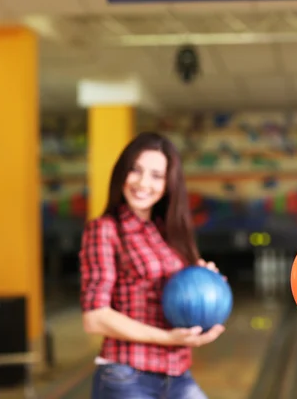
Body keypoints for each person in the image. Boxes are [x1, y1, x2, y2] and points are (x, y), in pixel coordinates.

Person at [79, 131, 225, 399]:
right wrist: (168, 339)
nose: (144, 182)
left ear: (169, 183)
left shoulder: (168, 233)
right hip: (126, 375)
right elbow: (95, 318)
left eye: (156, 175)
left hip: (178, 374)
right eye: (135, 170)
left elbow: (182, 298)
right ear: (121, 173)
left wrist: (205, 284)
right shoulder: (105, 230)